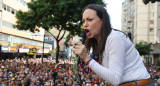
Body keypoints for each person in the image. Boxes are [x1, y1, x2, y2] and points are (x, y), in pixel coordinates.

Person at [68, 4, 154, 86]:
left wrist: (86, 58)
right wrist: (78, 51)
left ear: (102, 21)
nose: (85, 24)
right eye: (83, 21)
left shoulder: (115, 38)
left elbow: (115, 79)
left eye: (89, 19)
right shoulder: (100, 42)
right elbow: (92, 69)